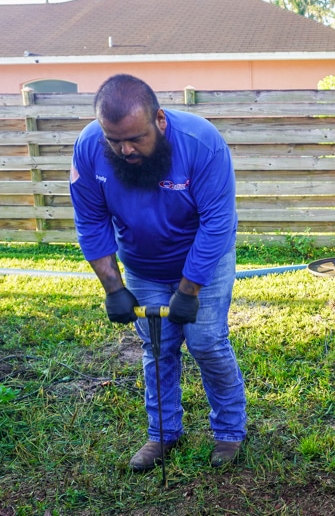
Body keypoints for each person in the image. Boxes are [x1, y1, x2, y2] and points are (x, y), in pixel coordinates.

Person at [69, 74, 246, 471]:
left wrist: (188, 290)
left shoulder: (201, 143)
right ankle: (163, 434)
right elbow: (90, 220)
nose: (125, 149)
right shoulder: (88, 147)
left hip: (205, 261)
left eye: (135, 139)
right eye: (114, 140)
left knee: (206, 343)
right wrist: (113, 287)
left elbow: (218, 223)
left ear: (160, 121)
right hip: (143, 266)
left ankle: (229, 433)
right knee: (158, 347)